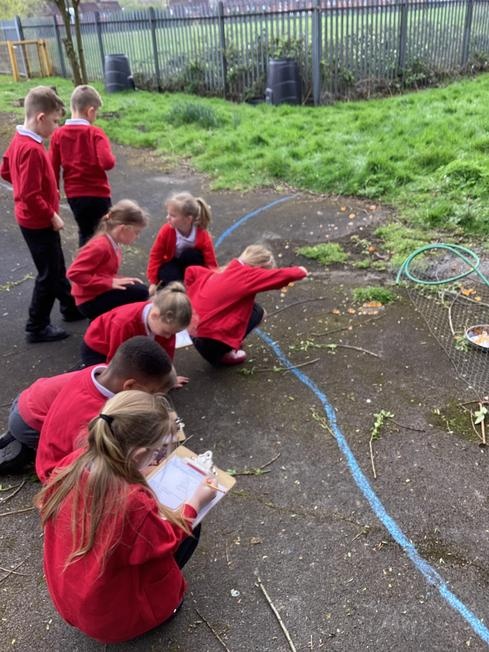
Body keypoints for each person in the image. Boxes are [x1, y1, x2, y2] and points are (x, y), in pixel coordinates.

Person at [35, 390, 216, 644]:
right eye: (158, 452)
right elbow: (166, 540)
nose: (161, 457)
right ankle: (160, 610)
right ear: (138, 454)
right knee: (191, 527)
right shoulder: (131, 501)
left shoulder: (74, 461)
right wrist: (195, 502)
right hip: (114, 619)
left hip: (75, 599)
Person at [0, 86, 83, 343]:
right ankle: (36, 325)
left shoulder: (19, 140)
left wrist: (25, 187)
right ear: (41, 117)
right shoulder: (33, 150)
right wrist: (51, 215)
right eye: (55, 121)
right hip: (38, 222)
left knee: (55, 266)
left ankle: (70, 306)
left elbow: (5, 170)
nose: (57, 128)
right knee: (48, 273)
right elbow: (29, 194)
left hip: (31, 219)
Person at [35, 336, 176, 483]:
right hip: (62, 476)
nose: (152, 400)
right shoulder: (98, 417)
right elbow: (107, 465)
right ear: (130, 386)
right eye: (151, 394)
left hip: (65, 458)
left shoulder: (99, 373)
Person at [185, 244, 308, 366]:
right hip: (211, 345)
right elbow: (281, 276)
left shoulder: (225, 270)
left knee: (246, 305)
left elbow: (191, 271)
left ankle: (225, 344)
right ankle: (224, 352)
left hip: (193, 333)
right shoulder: (247, 274)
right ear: (259, 268)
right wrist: (301, 271)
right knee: (258, 312)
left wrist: (191, 293)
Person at [80, 281, 192, 387]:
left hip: (130, 347)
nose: (168, 337)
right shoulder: (124, 324)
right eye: (166, 332)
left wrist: (167, 378)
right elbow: (117, 361)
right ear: (154, 315)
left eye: (174, 333)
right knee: (109, 386)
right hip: (99, 350)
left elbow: (165, 353)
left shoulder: (163, 322)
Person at [49, 85, 115, 247]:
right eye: (96, 112)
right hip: (98, 194)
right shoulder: (95, 133)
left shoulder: (58, 134)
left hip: (75, 196)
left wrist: (55, 192)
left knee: (85, 232)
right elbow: (108, 163)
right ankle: (102, 261)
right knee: (104, 233)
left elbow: (52, 167)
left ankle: (84, 260)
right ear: (90, 111)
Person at [67, 199, 149, 320]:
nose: (137, 237)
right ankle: (104, 323)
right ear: (123, 229)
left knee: (139, 289)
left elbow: (103, 273)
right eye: (136, 232)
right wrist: (109, 282)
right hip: (89, 300)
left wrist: (118, 280)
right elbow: (74, 273)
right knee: (141, 293)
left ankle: (105, 322)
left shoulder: (112, 242)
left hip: (96, 292)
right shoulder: (100, 246)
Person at [147, 191, 217, 293]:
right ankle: (179, 287)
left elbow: (210, 259)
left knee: (191, 254)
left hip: (190, 262)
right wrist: (153, 281)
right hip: (173, 263)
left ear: (188, 219)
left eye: (173, 216)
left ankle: (193, 284)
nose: (167, 217)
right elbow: (156, 255)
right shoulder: (167, 230)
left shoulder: (202, 234)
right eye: (168, 214)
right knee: (167, 273)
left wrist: (213, 278)